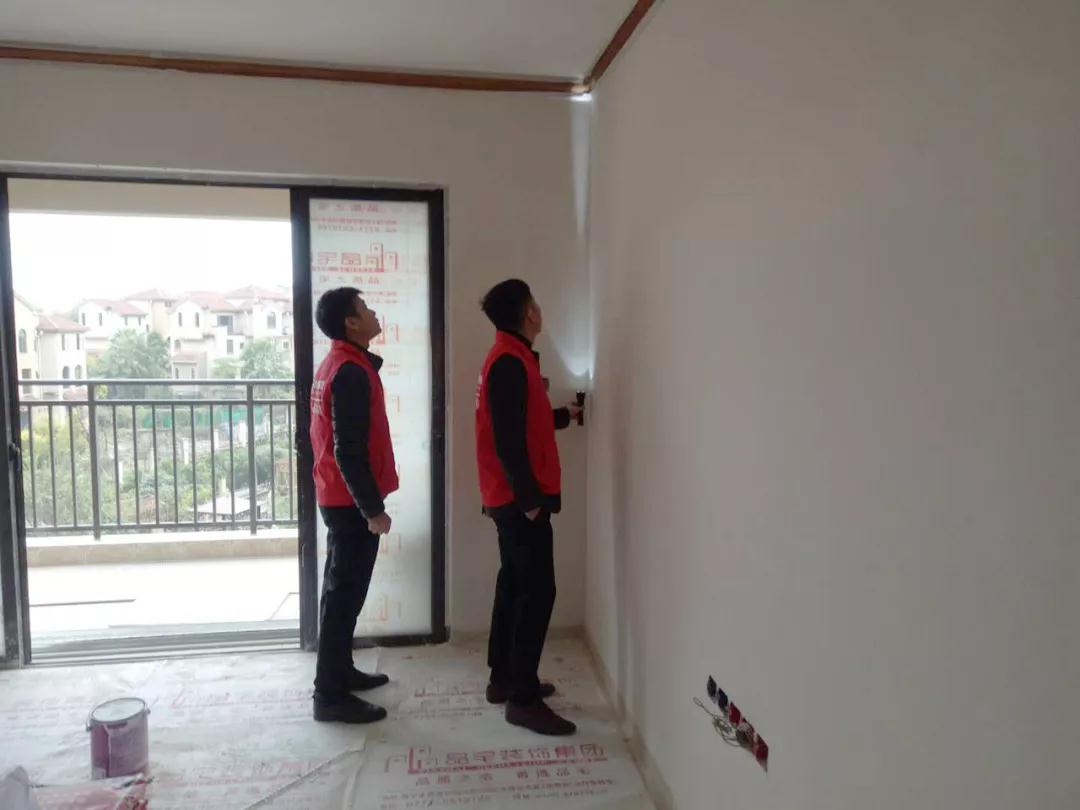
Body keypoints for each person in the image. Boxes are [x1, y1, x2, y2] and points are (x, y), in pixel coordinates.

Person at [475, 279, 582, 736]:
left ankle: (504, 678)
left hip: (509, 497)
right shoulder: (508, 362)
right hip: (519, 501)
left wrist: (564, 417)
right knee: (537, 593)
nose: (540, 310)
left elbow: (525, 422)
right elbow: (507, 441)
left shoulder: (511, 357)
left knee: (515, 585)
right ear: (528, 314)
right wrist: (531, 501)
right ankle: (522, 698)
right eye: (535, 304)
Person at [309, 287, 397, 724]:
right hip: (349, 502)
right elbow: (348, 450)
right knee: (344, 598)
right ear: (351, 323)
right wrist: (372, 509)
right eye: (365, 308)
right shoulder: (349, 372)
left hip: (338, 495)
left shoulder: (339, 364)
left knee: (341, 594)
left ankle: (341, 671)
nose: (373, 312)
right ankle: (329, 696)